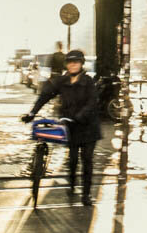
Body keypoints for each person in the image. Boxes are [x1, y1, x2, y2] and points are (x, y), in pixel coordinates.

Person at [21, 48, 100, 204]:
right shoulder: (62, 81)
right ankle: (71, 185)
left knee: (86, 160)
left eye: (76, 62)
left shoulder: (88, 82)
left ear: (81, 64)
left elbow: (91, 103)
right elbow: (45, 95)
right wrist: (32, 113)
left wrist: (78, 117)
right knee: (72, 159)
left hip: (88, 127)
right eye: (70, 62)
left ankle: (86, 194)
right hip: (71, 126)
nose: (72, 65)